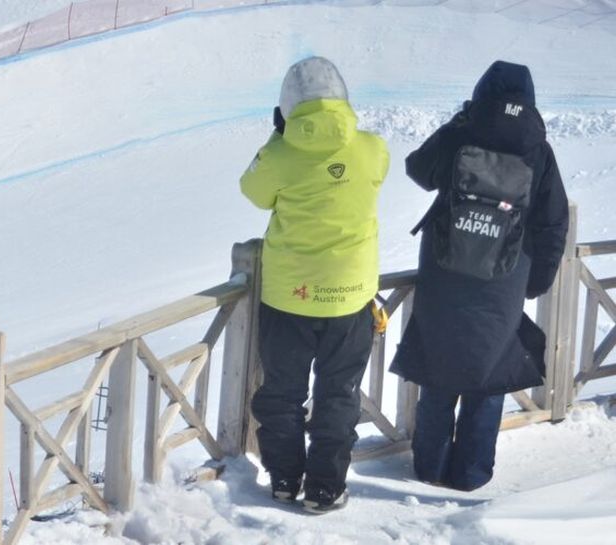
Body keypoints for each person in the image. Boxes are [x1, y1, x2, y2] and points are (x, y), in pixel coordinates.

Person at [390, 60, 568, 492]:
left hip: (445, 273)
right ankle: (471, 476)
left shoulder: (462, 135)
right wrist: (536, 283)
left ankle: (429, 469)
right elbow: (552, 224)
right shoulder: (538, 152)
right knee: (490, 370)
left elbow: (418, 169)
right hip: (504, 282)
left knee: (439, 364)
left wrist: (459, 121)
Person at [240, 56, 389, 514]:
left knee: (282, 392)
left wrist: (277, 137)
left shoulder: (280, 155)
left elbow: (253, 191)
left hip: (290, 296)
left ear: (287, 107)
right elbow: (375, 176)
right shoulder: (371, 148)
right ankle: (326, 487)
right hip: (351, 297)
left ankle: (285, 477)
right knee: (338, 394)